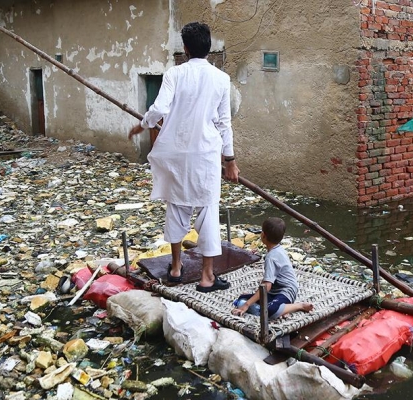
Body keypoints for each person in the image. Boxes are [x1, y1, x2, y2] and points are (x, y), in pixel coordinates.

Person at [128, 22, 238, 293]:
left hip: (176, 152)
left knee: (176, 206)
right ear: (208, 47)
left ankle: (176, 268)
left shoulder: (174, 74)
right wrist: (230, 160)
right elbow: (225, 123)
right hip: (205, 154)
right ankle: (207, 276)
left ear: (186, 48)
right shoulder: (221, 79)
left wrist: (143, 124)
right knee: (208, 209)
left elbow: (160, 108)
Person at [231, 217, 313, 319]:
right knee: (241, 299)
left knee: (268, 311)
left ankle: (299, 306)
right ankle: (283, 309)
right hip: (274, 292)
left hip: (286, 291)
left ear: (263, 235)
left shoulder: (271, 257)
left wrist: (247, 305)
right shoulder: (278, 249)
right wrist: (250, 298)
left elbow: (267, 286)